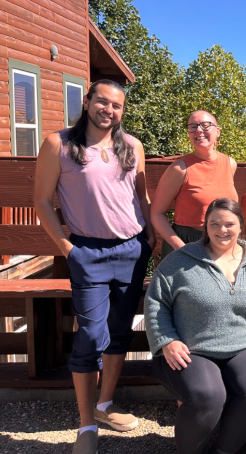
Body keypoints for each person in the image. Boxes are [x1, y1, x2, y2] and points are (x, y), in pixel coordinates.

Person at [34, 80, 155, 454]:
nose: (109, 110)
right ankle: (86, 425)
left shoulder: (132, 146)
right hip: (87, 253)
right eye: (102, 102)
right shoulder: (60, 145)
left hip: (132, 251)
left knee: (119, 332)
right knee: (89, 335)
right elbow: (40, 201)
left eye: (116, 106)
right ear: (86, 102)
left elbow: (142, 196)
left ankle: (104, 405)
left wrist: (150, 240)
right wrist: (68, 248)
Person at [144, 198, 246, 454]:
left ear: (240, 226)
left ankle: (223, 450)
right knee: (207, 395)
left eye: (229, 224)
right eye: (214, 223)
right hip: (191, 348)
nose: (222, 230)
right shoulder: (180, 260)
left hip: (243, 345)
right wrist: (166, 340)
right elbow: (156, 303)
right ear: (205, 226)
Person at [152, 110, 238, 259]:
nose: (198, 130)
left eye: (205, 125)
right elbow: (156, 213)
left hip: (222, 242)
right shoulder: (180, 168)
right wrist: (179, 246)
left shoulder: (230, 164)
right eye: (193, 127)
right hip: (187, 243)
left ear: (217, 132)